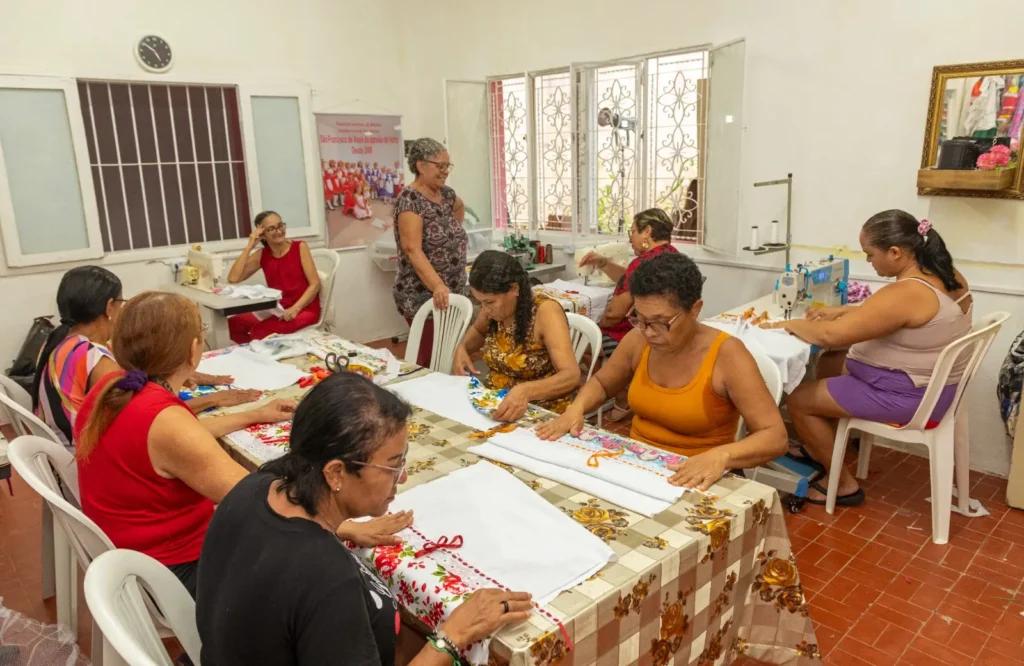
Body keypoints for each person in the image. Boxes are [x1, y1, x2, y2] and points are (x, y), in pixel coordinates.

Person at [197, 372, 533, 666]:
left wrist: (344, 528)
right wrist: (453, 636)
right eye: (393, 466)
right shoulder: (326, 576)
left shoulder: (255, 487)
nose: (402, 477)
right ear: (336, 473)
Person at [74, 291, 297, 597]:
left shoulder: (111, 387)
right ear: (193, 351)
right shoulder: (165, 421)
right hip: (167, 574)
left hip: (126, 556)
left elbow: (179, 438)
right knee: (297, 546)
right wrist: (343, 525)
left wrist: (255, 414)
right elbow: (260, 500)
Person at [761, 211, 973, 507]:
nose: (869, 261)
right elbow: (897, 315)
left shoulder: (907, 291)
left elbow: (831, 336)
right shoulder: (943, 272)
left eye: (870, 254)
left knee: (799, 400)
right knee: (830, 361)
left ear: (895, 252)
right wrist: (845, 310)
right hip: (936, 386)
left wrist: (791, 324)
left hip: (910, 397)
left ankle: (842, 484)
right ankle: (823, 445)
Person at [538, 253, 787, 491]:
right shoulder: (638, 340)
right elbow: (603, 384)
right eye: (640, 319)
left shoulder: (727, 356)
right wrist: (577, 408)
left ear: (695, 309)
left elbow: (774, 436)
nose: (648, 332)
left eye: (660, 322)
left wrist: (722, 456)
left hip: (699, 475)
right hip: (639, 466)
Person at [32, 267, 259, 451]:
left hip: (60, 452)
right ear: (110, 307)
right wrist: (214, 399)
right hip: (85, 459)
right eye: (121, 302)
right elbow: (150, 420)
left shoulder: (61, 340)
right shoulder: (97, 361)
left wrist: (185, 373)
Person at [452, 251, 580, 421]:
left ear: (514, 289)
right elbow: (478, 331)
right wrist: (462, 349)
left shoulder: (545, 312)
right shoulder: (491, 310)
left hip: (540, 411)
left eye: (489, 302)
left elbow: (571, 376)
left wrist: (526, 391)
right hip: (496, 405)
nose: (485, 309)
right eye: (480, 302)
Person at [577, 208, 679, 420]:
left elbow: (614, 314)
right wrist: (603, 263)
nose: (630, 238)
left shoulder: (641, 264)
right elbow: (632, 280)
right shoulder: (673, 256)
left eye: (633, 232)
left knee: (582, 341)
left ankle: (619, 395)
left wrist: (596, 324)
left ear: (647, 232)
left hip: (635, 335)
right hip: (666, 331)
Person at [393, 138, 467, 367]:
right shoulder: (410, 199)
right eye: (440, 166)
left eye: (448, 165)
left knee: (447, 354)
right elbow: (412, 249)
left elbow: (459, 207)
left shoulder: (447, 195)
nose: (446, 171)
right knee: (428, 359)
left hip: (451, 291)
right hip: (423, 294)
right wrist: (437, 286)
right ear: (420, 165)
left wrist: (450, 235)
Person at [226, 211, 322, 344]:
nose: (278, 231)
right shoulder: (262, 254)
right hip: (278, 310)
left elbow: (315, 284)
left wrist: (295, 308)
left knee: (258, 332)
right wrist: (249, 246)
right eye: (271, 228)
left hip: (304, 310)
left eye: (280, 225)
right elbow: (233, 278)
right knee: (233, 324)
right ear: (262, 234)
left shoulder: (300, 247)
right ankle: (259, 351)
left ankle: (262, 351)